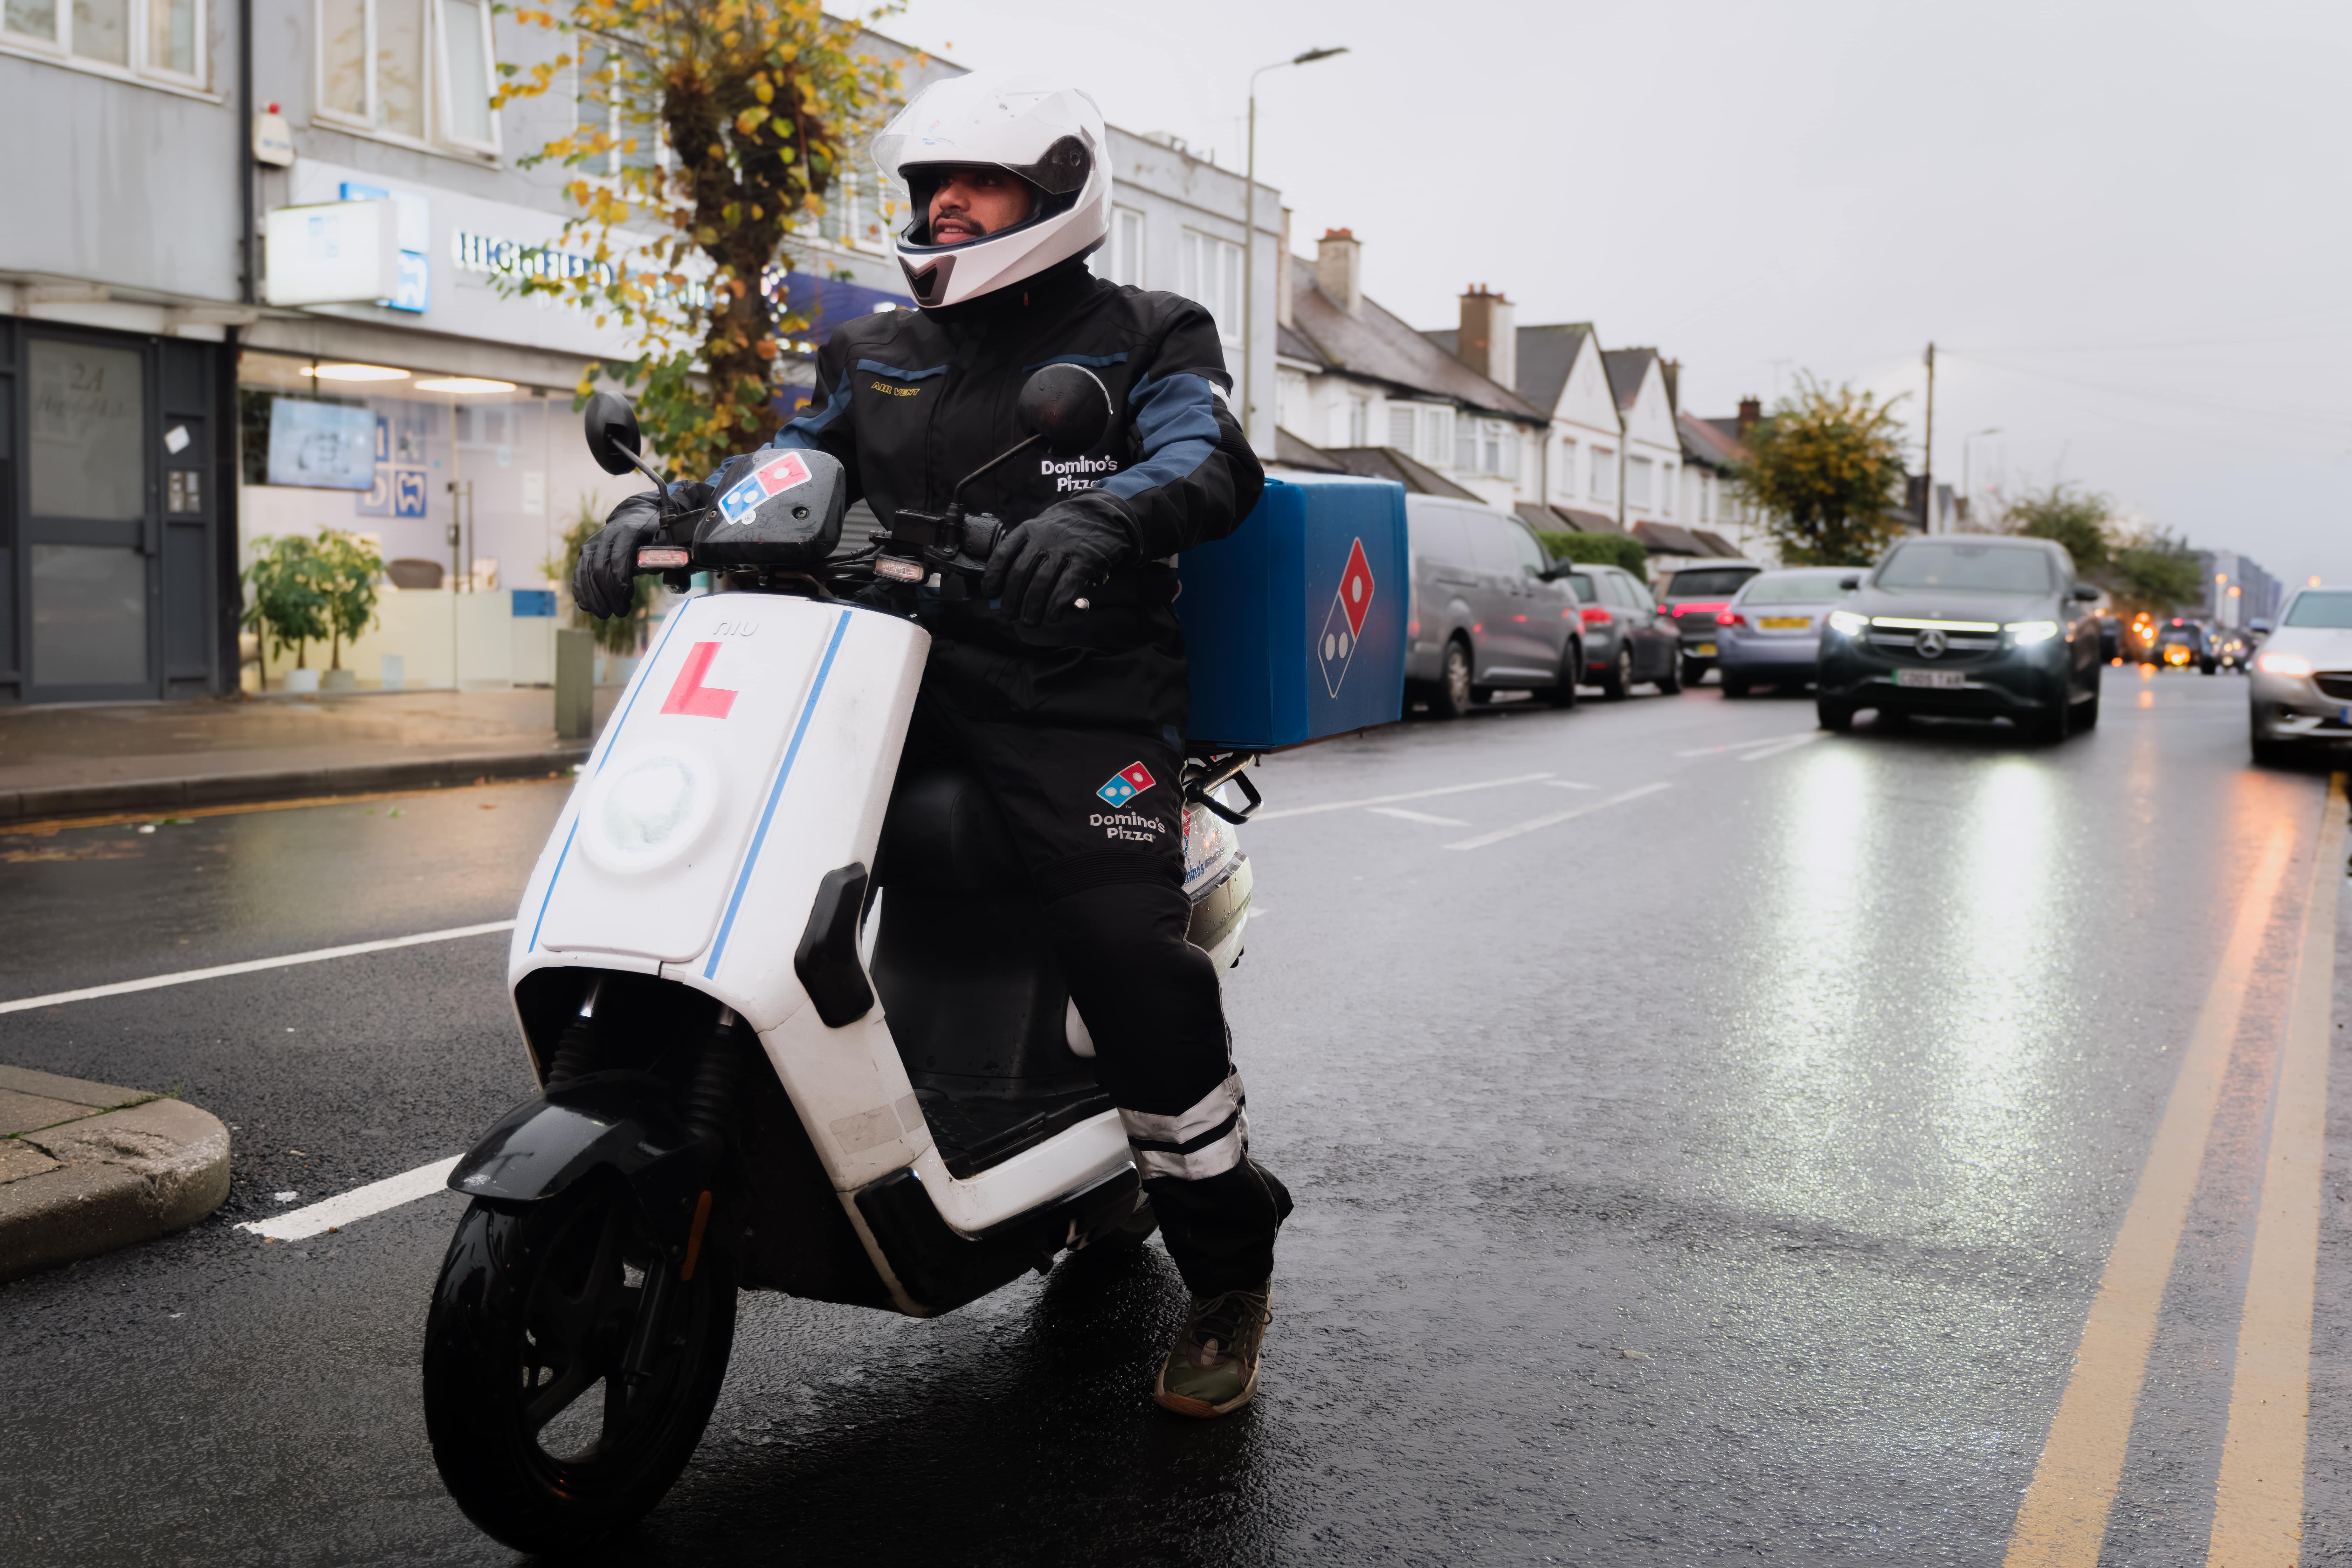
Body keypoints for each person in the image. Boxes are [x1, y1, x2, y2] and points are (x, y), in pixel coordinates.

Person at [574, 72, 1290, 1419]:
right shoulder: (875, 352)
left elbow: (1210, 462)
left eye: (976, 184)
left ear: (1056, 194)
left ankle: (1226, 1266)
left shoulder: (1143, 334)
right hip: (881, 687)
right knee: (725, 866)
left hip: (1080, 703)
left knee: (1126, 957)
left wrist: (1105, 517)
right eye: (926, 187)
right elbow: (783, 471)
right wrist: (663, 514)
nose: (943, 204)